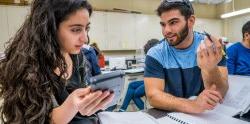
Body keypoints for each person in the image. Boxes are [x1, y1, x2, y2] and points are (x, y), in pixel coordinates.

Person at [0, 0, 114, 123]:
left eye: (87, 28)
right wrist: (73, 104)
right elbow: (39, 119)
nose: (85, 38)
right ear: (50, 28)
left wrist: (94, 104)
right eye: (76, 30)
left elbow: (82, 113)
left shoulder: (78, 57)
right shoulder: (30, 66)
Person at [144, 0, 229, 114]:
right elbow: (153, 96)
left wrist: (210, 68)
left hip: (206, 115)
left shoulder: (211, 47)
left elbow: (220, 92)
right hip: (171, 115)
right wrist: (192, 105)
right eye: (163, 24)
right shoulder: (155, 54)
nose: (166, 31)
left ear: (191, 21)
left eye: (173, 22)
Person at [119, 39, 160, 112]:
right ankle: (122, 109)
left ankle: (145, 112)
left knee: (135, 94)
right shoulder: (155, 55)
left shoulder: (156, 57)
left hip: (155, 83)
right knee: (132, 85)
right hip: (150, 80)